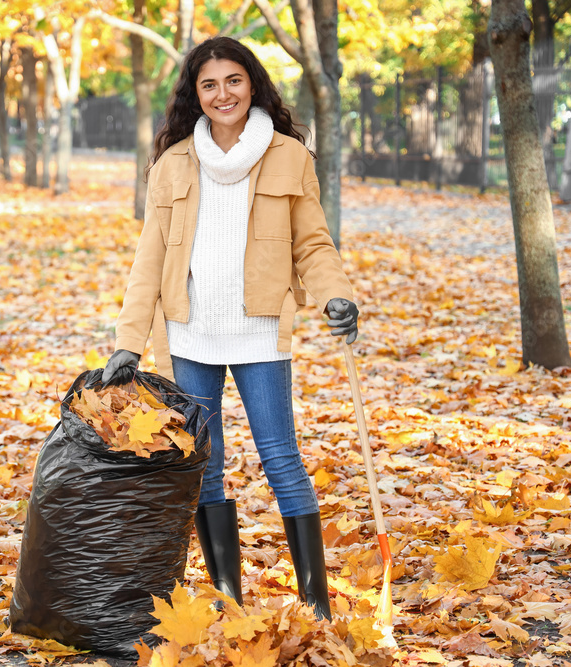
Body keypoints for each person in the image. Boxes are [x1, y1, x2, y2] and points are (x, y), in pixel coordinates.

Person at [101, 36, 359, 620]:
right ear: (196, 94)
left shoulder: (289, 155)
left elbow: (312, 243)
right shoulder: (172, 166)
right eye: (209, 84)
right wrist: (128, 343)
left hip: (261, 331)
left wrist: (335, 296)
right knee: (206, 465)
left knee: (280, 457)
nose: (223, 94)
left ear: (253, 84)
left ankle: (315, 605)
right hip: (190, 335)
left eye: (234, 81)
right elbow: (150, 259)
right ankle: (229, 603)